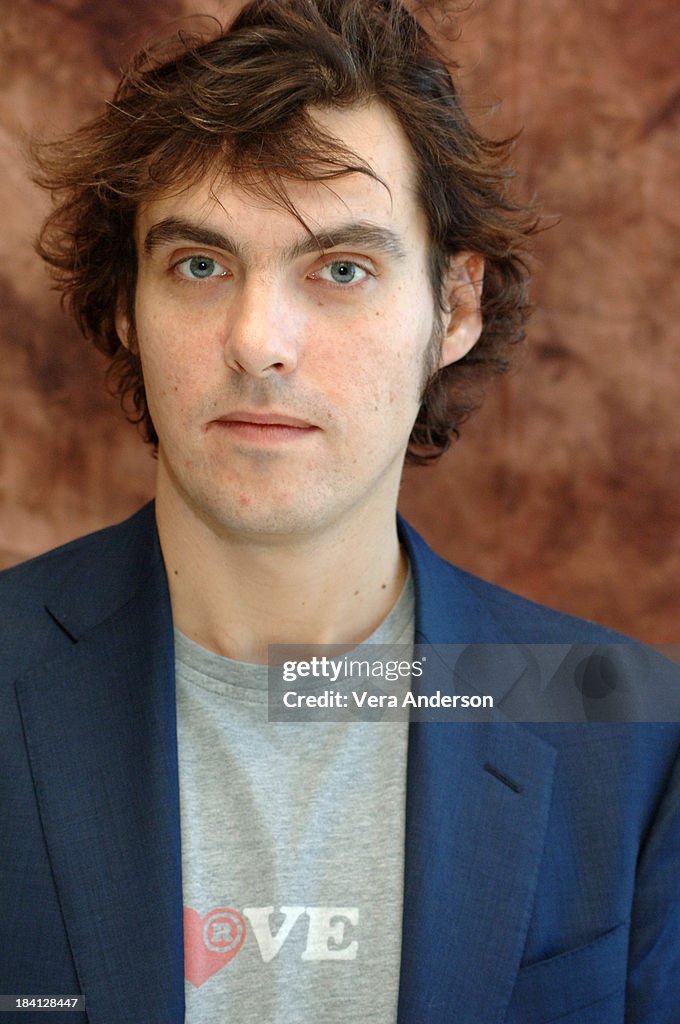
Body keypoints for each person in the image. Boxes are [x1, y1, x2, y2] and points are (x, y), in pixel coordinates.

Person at [1, 2, 678, 1022]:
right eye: (199, 264)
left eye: (341, 269)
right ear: (122, 307)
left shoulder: (619, 723)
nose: (258, 340)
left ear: (453, 310)